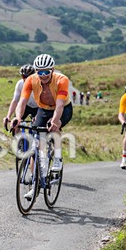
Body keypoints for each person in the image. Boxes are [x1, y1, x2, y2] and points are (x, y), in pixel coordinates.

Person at [12, 54, 73, 197]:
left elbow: (59, 105)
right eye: (40, 72)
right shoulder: (30, 80)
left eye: (46, 71)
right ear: (36, 71)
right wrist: (18, 118)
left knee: (55, 126)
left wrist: (54, 121)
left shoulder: (62, 80)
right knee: (37, 144)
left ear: (53, 70)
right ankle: (36, 183)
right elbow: (22, 102)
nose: (43, 75)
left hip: (63, 109)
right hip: (44, 109)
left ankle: (57, 158)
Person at [3, 64, 38, 129]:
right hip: (26, 106)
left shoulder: (38, 84)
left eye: (29, 77)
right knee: (15, 123)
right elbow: (15, 101)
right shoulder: (20, 84)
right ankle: (17, 134)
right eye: (24, 76)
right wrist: (8, 116)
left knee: (39, 126)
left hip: (38, 107)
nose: (26, 79)